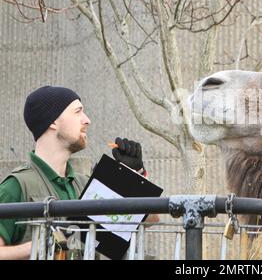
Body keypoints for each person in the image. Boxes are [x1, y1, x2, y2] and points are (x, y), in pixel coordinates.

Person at [0, 86, 152, 260]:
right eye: (78, 112)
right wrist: (42, 244)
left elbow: (149, 219)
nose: (87, 120)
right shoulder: (17, 186)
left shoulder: (84, 183)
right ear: (53, 122)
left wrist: (133, 175)